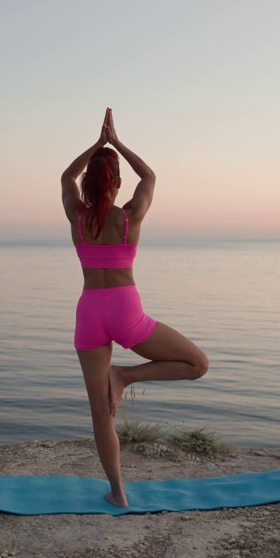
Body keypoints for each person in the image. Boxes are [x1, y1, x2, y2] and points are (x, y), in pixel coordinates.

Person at [60, 107, 209, 508]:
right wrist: (116, 142)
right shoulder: (130, 217)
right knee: (198, 365)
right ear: (117, 182)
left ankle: (118, 492)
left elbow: (64, 178)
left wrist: (97, 145)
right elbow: (150, 177)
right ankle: (125, 376)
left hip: (89, 312)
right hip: (127, 313)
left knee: (99, 414)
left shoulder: (76, 218)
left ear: (88, 182)